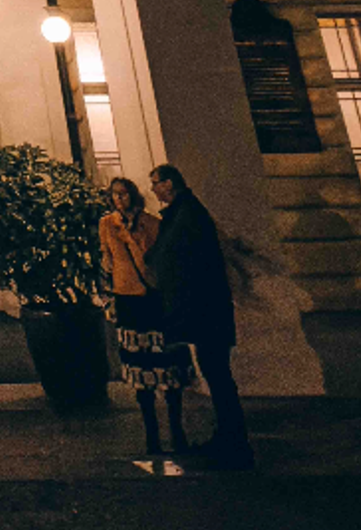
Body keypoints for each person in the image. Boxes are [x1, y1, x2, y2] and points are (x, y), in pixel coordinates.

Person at [146, 164, 251, 469]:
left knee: (217, 373)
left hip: (206, 310)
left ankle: (233, 439)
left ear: (169, 184)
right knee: (216, 373)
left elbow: (176, 256)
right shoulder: (186, 211)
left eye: (156, 183)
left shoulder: (186, 214)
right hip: (206, 309)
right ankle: (228, 434)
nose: (153, 189)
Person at [100, 176, 192, 456]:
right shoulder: (107, 224)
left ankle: (176, 429)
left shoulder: (151, 223)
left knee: (167, 365)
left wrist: (133, 237)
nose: (119, 199)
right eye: (115, 195)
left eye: (124, 194)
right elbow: (107, 259)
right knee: (140, 369)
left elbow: (158, 259)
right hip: (127, 299)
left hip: (153, 298)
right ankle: (152, 433)